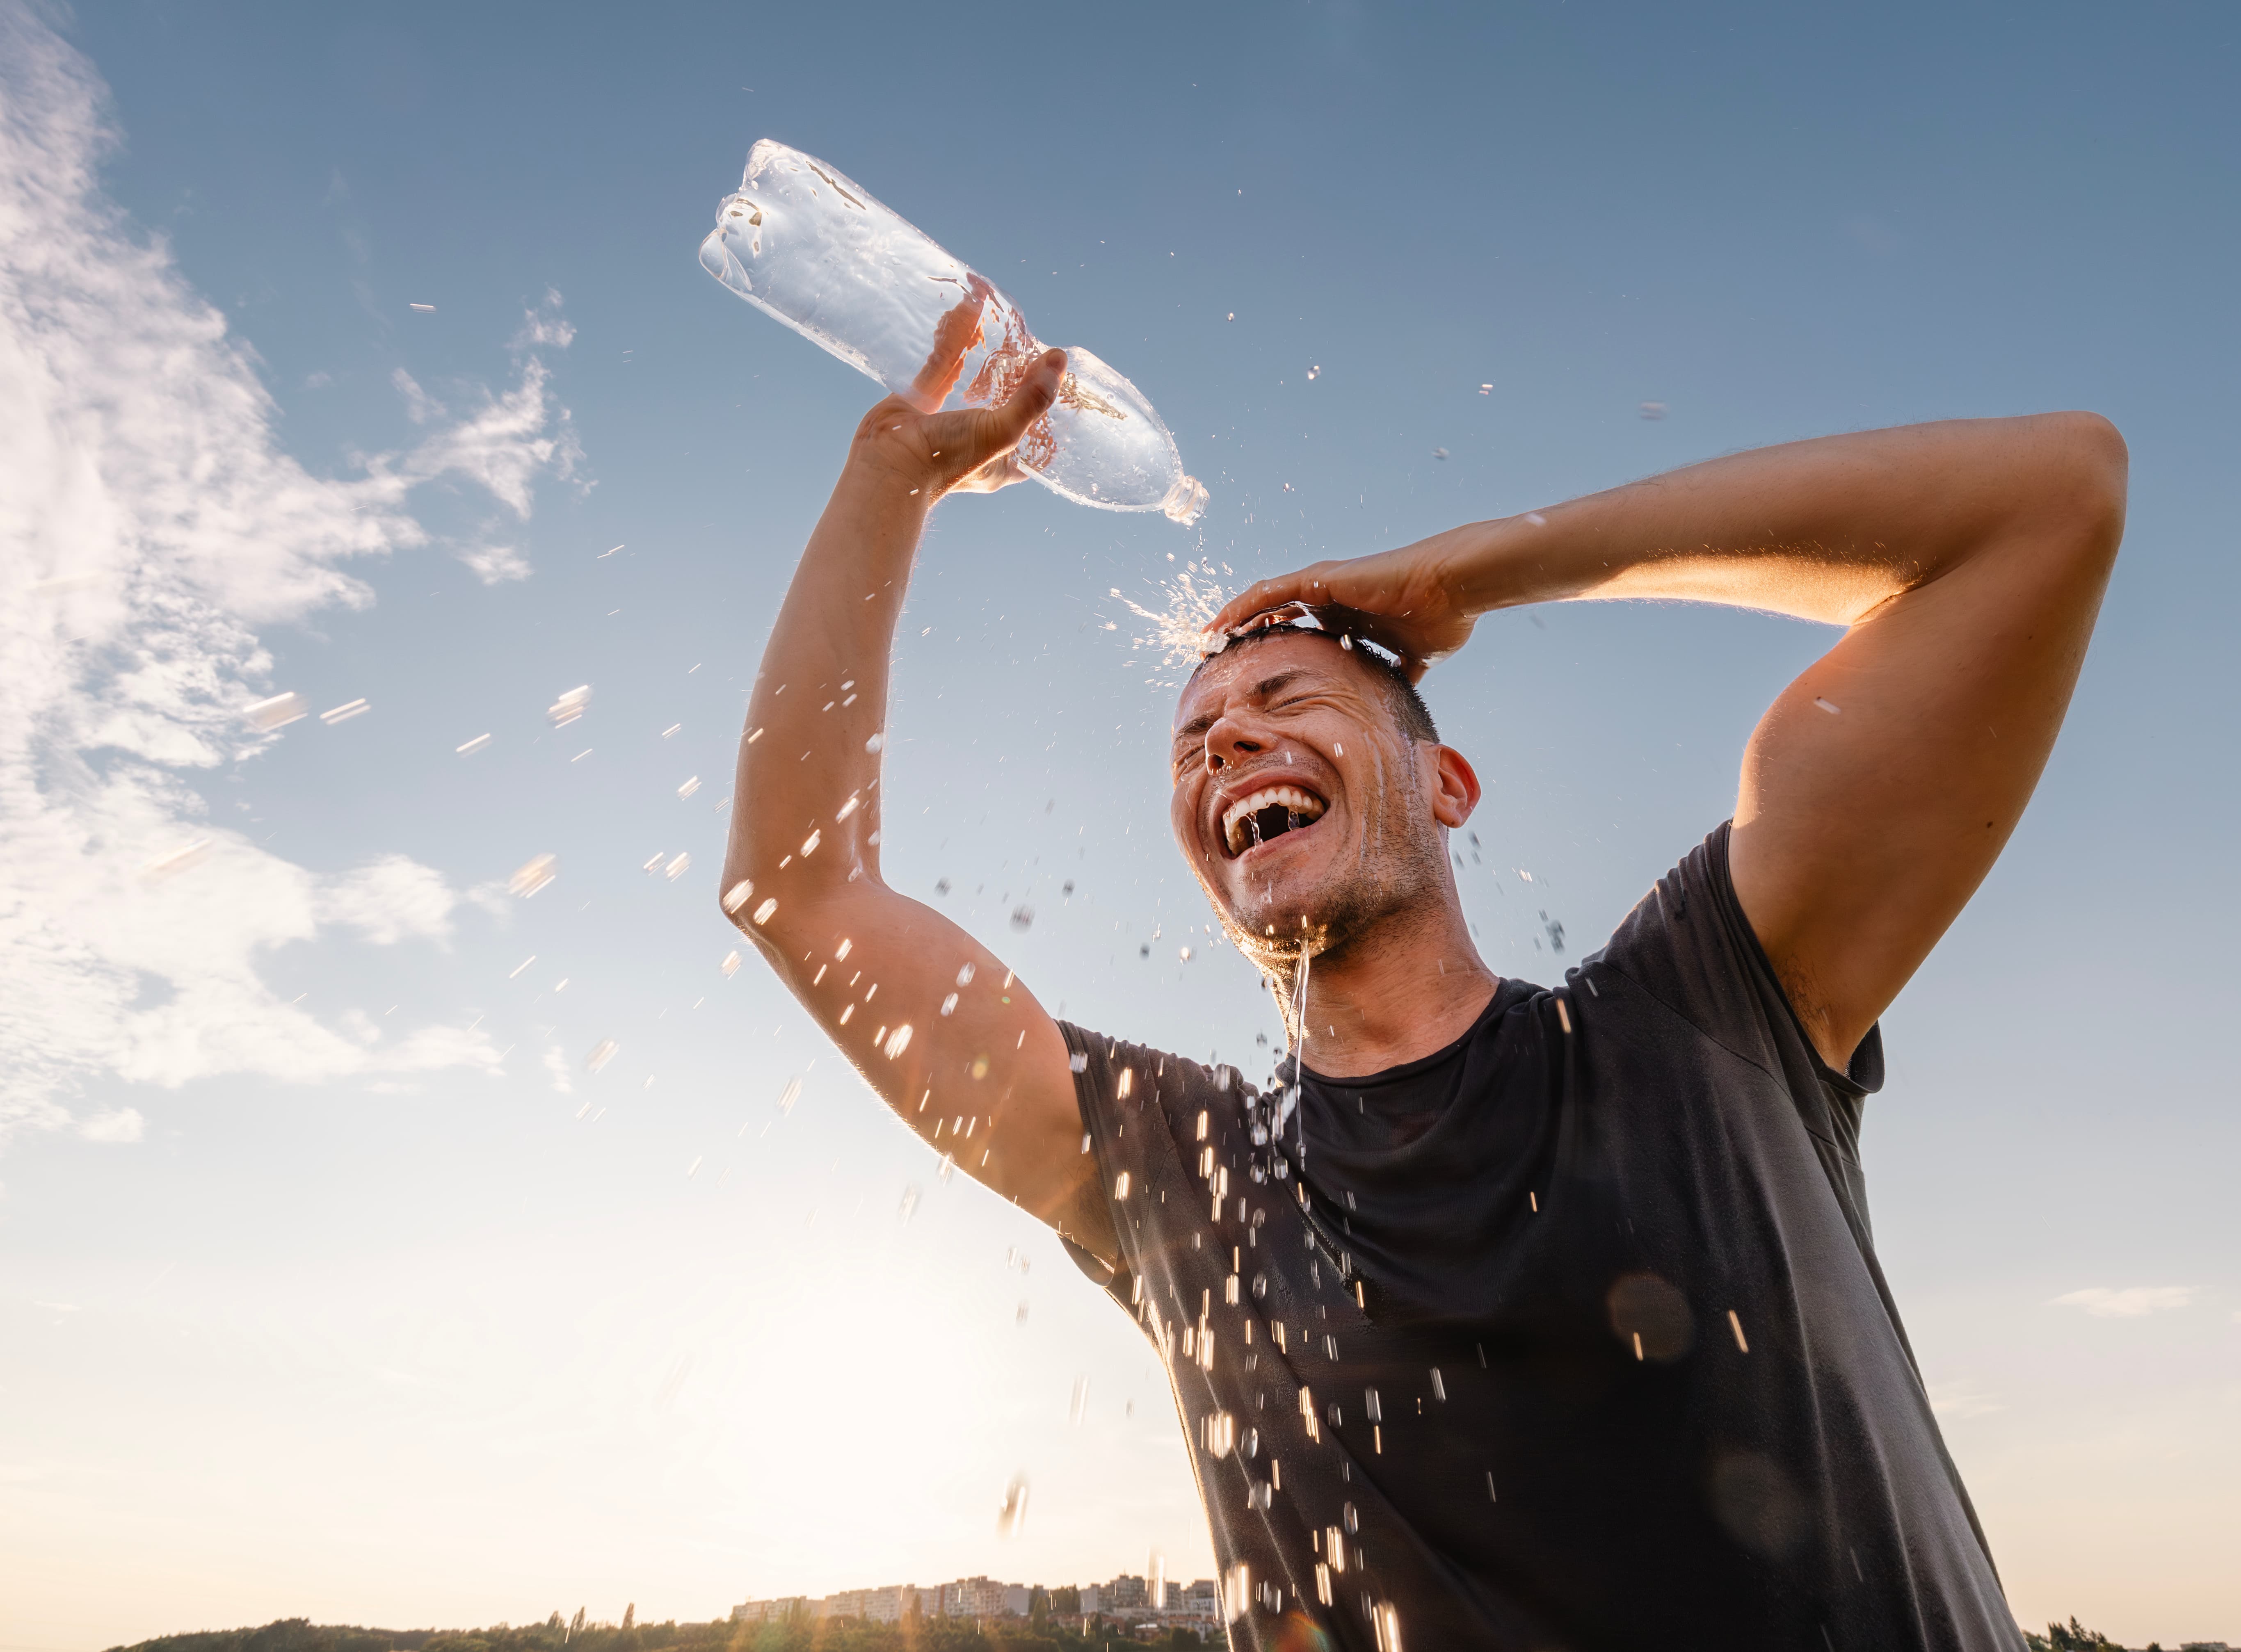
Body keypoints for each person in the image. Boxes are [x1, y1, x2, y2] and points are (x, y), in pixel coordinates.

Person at [722, 346, 2126, 1652]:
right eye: (1194, 741)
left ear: (1447, 785)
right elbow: (800, 888)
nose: (1230, 743)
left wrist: (1474, 571)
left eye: (1284, 695)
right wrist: (887, 474)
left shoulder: (1709, 1008)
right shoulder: (1183, 1173)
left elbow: (2049, 497)